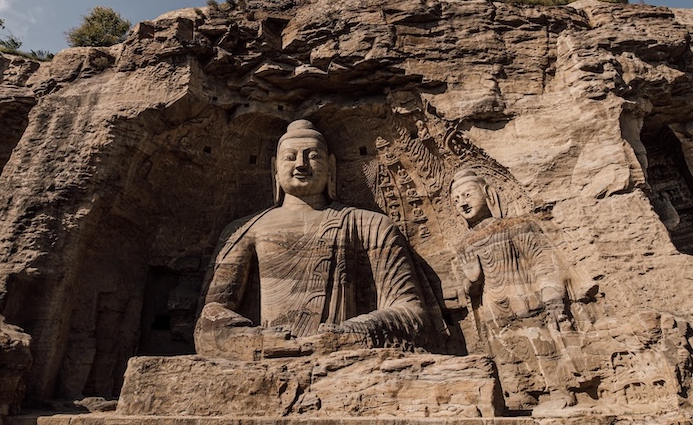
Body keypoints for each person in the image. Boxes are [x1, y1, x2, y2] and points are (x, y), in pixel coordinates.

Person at [195, 120, 444, 360]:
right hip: (268, 356)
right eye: (290, 157)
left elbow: (413, 314)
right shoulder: (245, 230)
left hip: (348, 360)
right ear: (275, 169)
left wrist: (351, 332)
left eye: (313, 156)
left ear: (331, 166)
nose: (301, 165)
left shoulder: (371, 226)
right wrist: (259, 340)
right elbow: (210, 321)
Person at [451, 167, 576, 411]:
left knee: (543, 347)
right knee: (507, 355)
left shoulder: (515, 225)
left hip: (525, 299)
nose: (462, 204)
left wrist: (550, 291)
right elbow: (467, 290)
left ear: (488, 194)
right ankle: (521, 394)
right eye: (456, 201)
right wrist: (472, 280)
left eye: (467, 195)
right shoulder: (465, 243)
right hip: (494, 310)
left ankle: (560, 390)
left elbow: (540, 259)